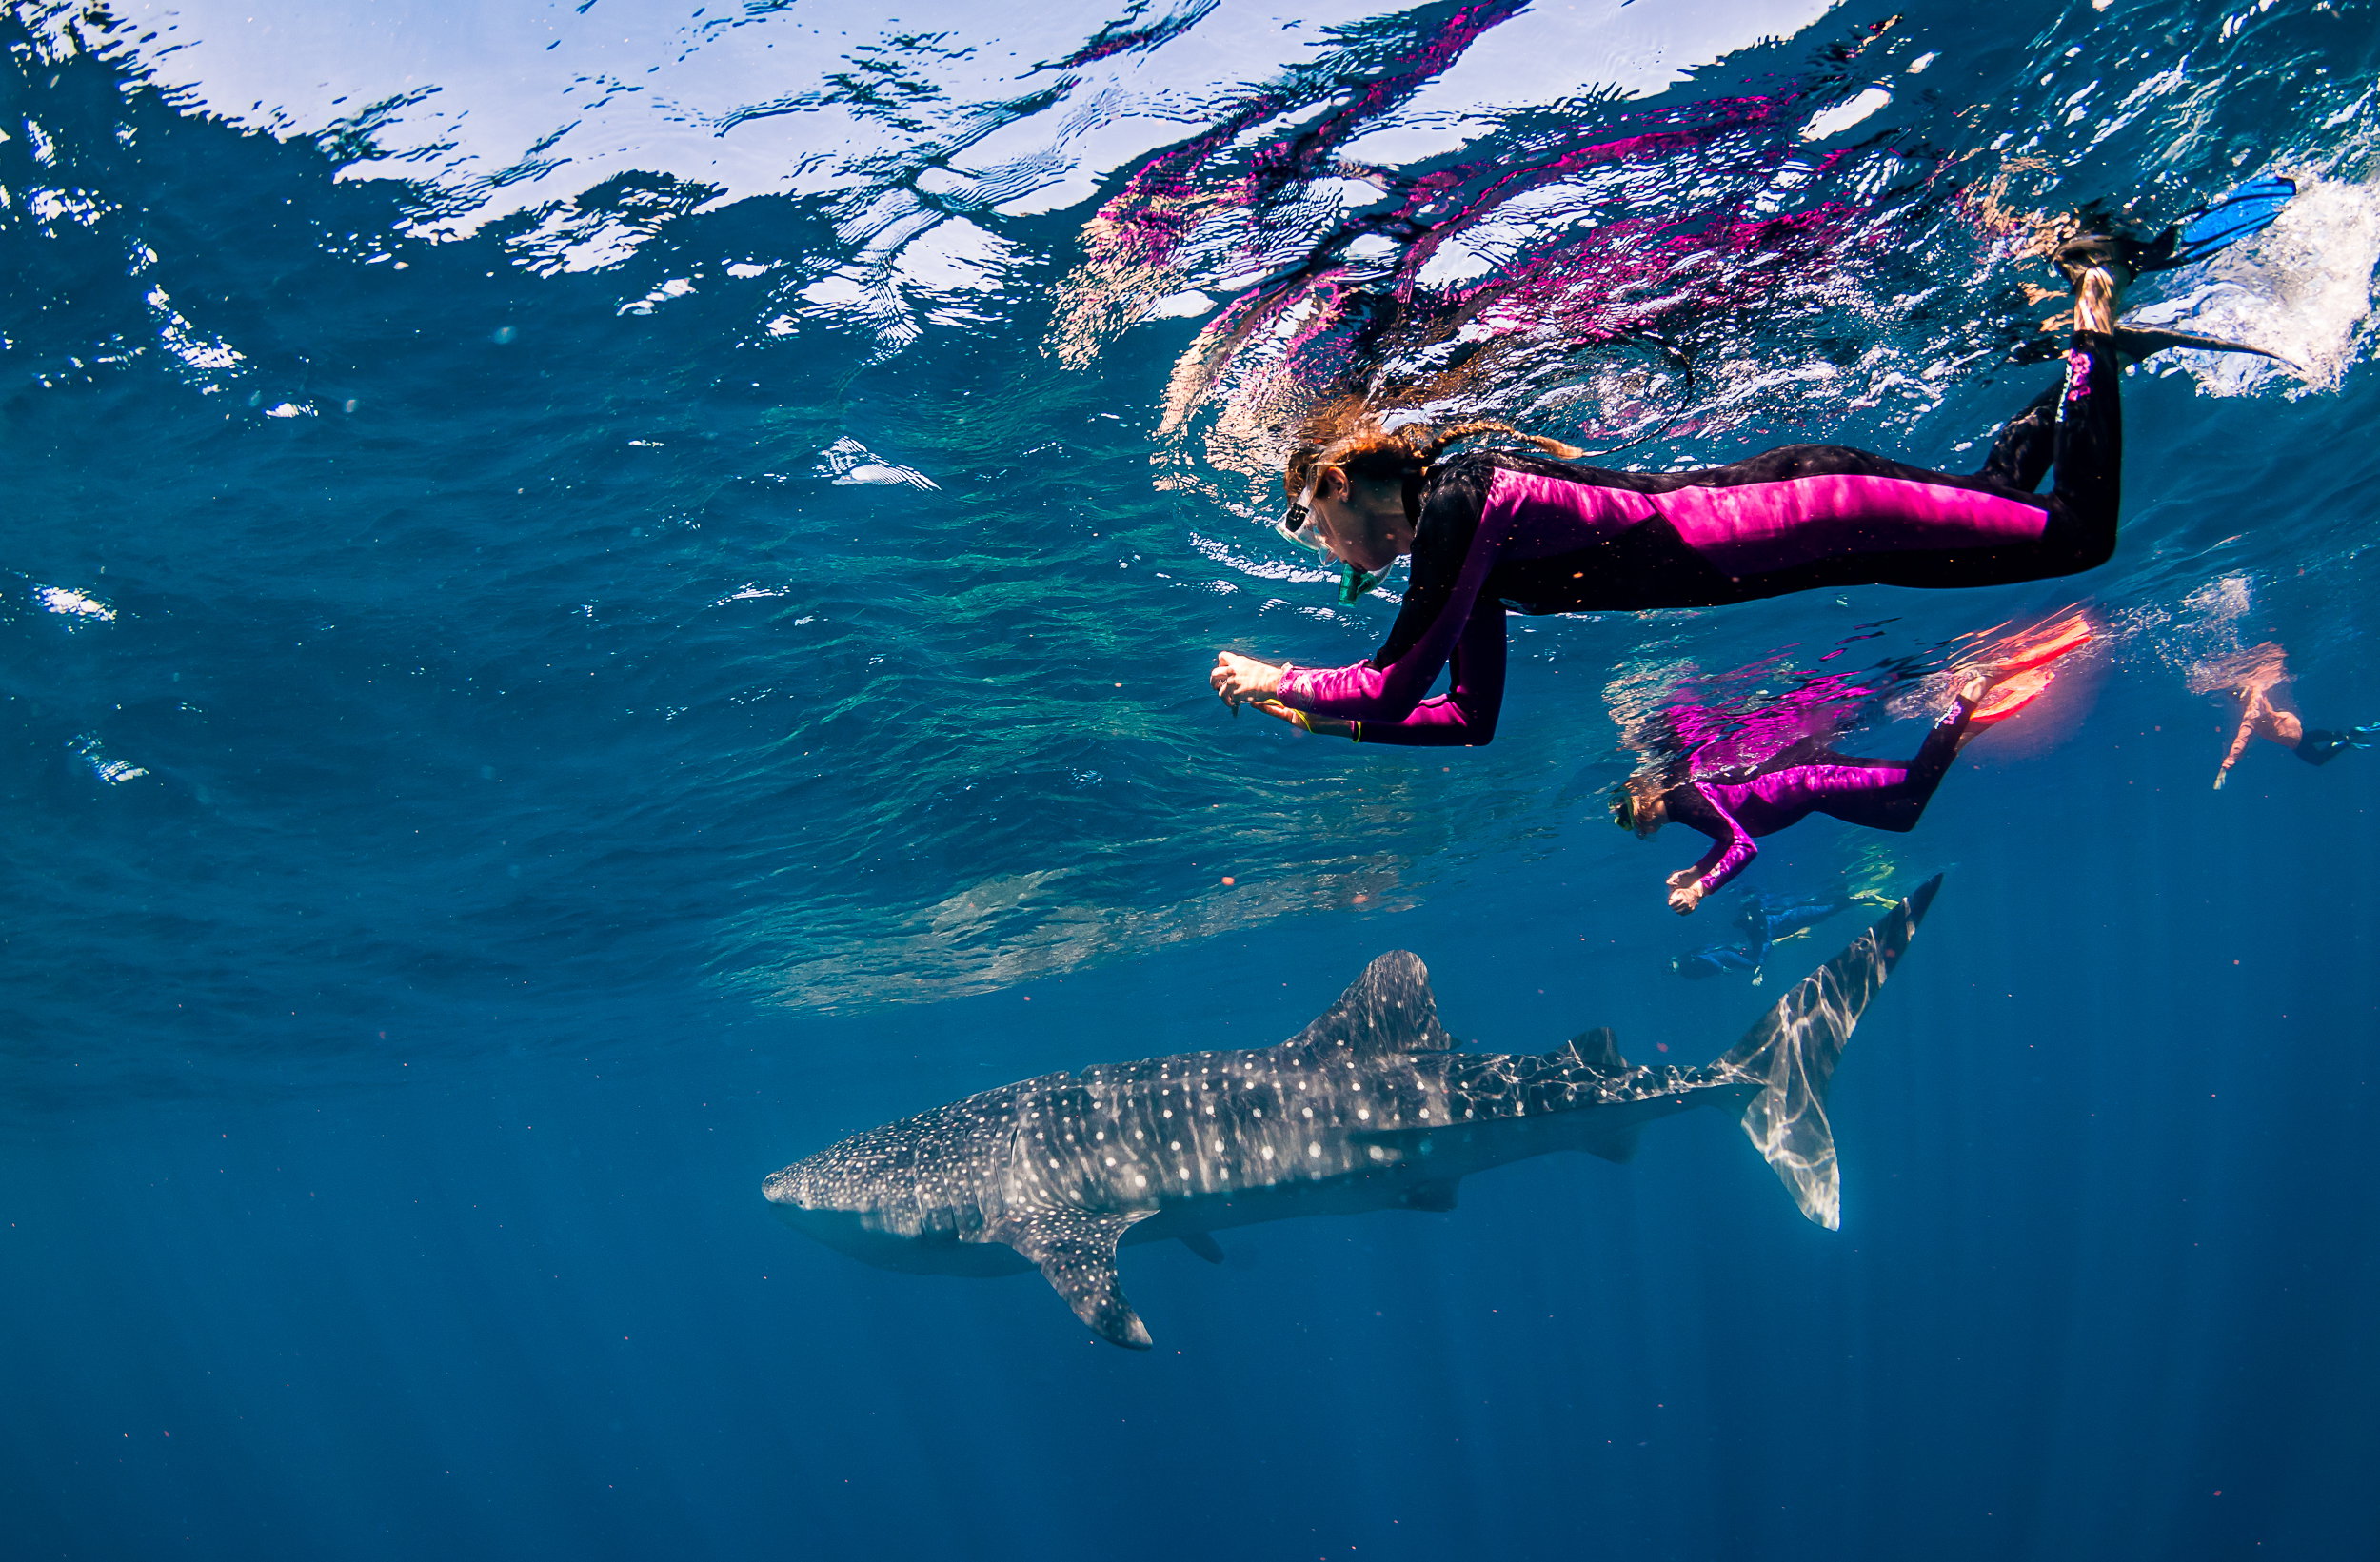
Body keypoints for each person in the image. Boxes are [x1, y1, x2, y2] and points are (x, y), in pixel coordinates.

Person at [1208, 240, 2131, 744]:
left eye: (1312, 530)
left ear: (1336, 484)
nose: (1326, 556)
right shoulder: (1466, 560)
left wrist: (1281, 680)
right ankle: (2094, 351)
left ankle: (2093, 313)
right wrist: (1328, 720)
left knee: (2077, 538)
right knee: (1998, 492)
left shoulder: (1461, 501)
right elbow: (1463, 718)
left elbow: (1389, 682)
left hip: (1818, 509)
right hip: (1821, 545)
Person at [1616, 668, 2004, 914]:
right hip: (1815, 794)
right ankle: (1957, 736)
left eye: (1629, 816)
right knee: (1902, 819)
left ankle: (1970, 692)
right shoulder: (1685, 807)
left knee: (1917, 778)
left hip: (1812, 776)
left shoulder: (1683, 799)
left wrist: (1701, 888)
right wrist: (1697, 870)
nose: (1635, 826)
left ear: (1644, 800)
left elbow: (1744, 846)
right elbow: (1731, 833)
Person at [2211, 644, 2376, 788]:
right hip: (2291, 724)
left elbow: (2243, 737)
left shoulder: (2251, 712)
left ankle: (2345, 740)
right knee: (2308, 737)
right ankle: (2339, 736)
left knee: (2317, 759)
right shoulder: (2256, 690)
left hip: (2290, 737)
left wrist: (2227, 764)